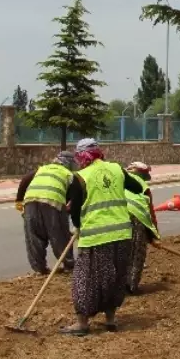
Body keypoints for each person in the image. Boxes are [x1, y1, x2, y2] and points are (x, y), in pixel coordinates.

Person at [58, 138, 145, 337]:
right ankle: (111, 320)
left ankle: (82, 323)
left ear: (81, 156)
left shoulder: (79, 177)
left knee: (85, 279)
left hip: (96, 237)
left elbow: (75, 211)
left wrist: (79, 227)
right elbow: (137, 188)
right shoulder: (116, 169)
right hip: (122, 234)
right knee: (115, 278)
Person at [15, 150, 77, 274]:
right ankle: (69, 266)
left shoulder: (42, 169)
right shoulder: (69, 175)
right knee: (60, 235)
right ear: (69, 164)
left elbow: (25, 180)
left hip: (30, 200)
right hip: (53, 202)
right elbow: (74, 197)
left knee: (34, 236)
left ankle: (39, 269)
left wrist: (19, 201)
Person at [123, 161, 159, 294]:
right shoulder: (144, 187)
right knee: (137, 252)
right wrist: (155, 236)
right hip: (136, 219)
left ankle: (117, 287)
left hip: (118, 216)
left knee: (121, 251)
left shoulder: (121, 179)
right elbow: (151, 214)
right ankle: (131, 286)